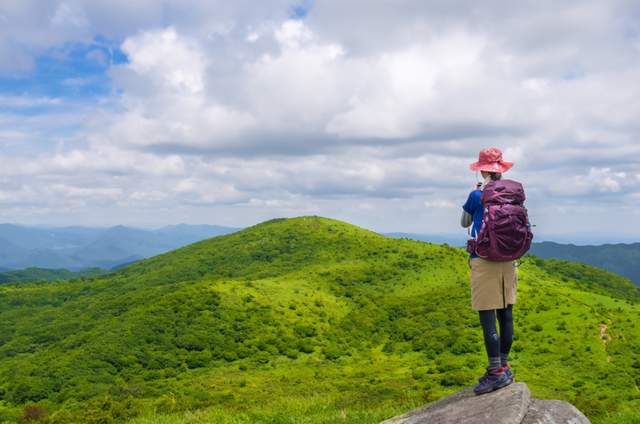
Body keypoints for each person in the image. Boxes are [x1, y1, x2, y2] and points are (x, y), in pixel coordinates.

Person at [461, 147, 518, 395]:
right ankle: (504, 365)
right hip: (509, 258)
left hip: (484, 259)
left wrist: (475, 197)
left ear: (482, 169)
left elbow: (463, 222)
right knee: (506, 314)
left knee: (488, 318)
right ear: (501, 169)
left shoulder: (477, 195)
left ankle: (495, 373)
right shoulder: (514, 194)